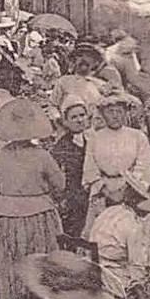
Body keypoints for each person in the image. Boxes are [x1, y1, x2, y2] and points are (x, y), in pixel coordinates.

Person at [0, 98, 65, 299]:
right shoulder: (42, 155)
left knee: (10, 265)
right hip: (38, 216)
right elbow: (60, 185)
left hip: (5, 217)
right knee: (39, 264)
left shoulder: (0, 156)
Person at [81, 91, 150, 237]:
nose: (115, 116)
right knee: (101, 233)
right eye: (110, 112)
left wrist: (126, 191)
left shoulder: (137, 136)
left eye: (119, 112)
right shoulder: (95, 138)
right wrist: (107, 191)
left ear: (125, 113)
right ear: (103, 114)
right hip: (103, 190)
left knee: (132, 233)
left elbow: (144, 165)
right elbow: (90, 169)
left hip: (132, 191)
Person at [47, 96, 91, 238]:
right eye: (74, 117)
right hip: (74, 200)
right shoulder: (61, 147)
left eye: (82, 115)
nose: (79, 120)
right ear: (65, 121)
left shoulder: (96, 139)